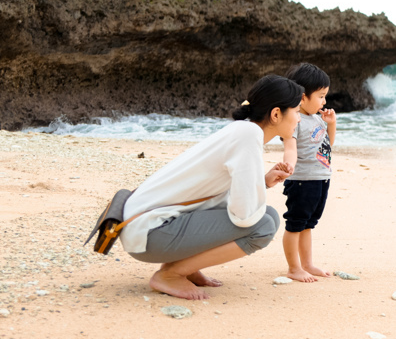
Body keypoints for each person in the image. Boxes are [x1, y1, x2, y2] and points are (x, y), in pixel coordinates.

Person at [120, 75, 302, 300]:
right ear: (276, 114)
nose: (299, 119)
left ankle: (185, 266)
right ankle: (171, 274)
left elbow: (209, 193)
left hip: (142, 227)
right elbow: (244, 216)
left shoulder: (241, 130)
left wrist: (262, 182)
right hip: (149, 234)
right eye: (296, 111)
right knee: (263, 225)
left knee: (268, 216)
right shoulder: (249, 135)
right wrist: (257, 188)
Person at [280, 62, 337, 282]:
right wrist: (289, 165)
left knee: (308, 225)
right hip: (302, 181)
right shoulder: (294, 119)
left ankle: (307, 264)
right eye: (321, 96)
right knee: (295, 225)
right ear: (303, 97)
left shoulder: (316, 118)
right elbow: (290, 147)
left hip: (321, 179)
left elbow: (327, 146)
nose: (324, 101)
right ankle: (294, 268)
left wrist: (330, 124)